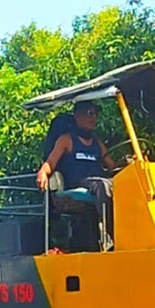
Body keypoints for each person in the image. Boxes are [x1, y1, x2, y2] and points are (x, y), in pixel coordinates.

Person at [36, 100, 117, 247]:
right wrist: (43, 172)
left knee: (122, 184)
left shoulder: (97, 143)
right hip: (80, 181)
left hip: (97, 181)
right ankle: (114, 234)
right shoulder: (66, 140)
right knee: (102, 185)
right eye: (90, 113)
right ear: (77, 116)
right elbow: (51, 162)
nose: (94, 118)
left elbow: (111, 165)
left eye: (96, 114)